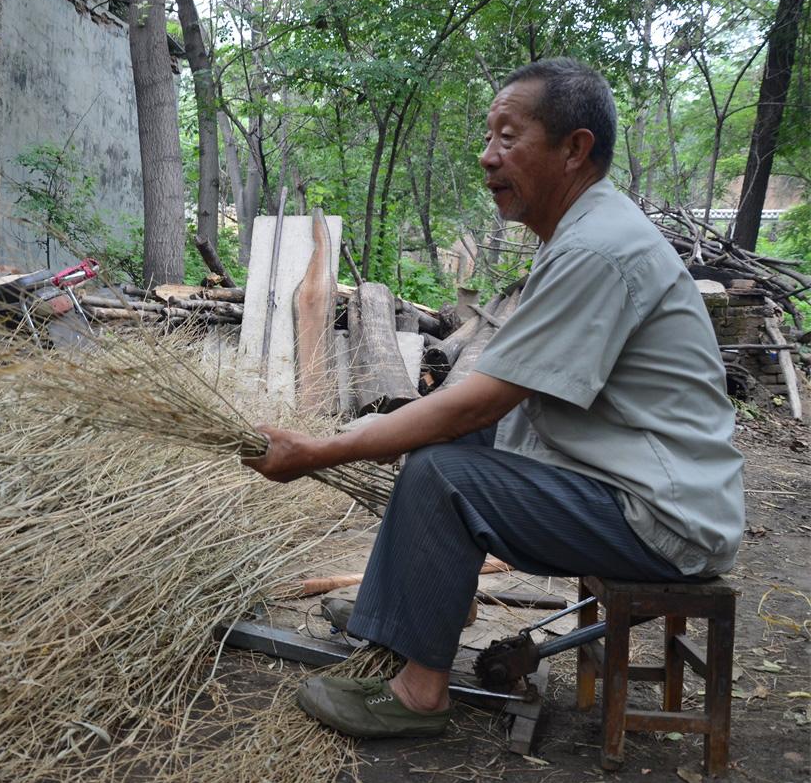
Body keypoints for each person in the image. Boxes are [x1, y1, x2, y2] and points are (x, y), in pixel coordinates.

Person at [242, 58, 744, 739]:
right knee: (452, 443)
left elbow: (477, 403)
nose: (487, 156)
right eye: (488, 138)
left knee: (443, 471)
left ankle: (419, 695)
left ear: (574, 149)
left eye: (508, 137)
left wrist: (320, 451)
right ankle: (407, 617)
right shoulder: (587, 232)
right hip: (629, 479)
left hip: (662, 516)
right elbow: (491, 405)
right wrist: (378, 435)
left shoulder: (598, 250)